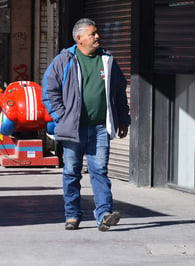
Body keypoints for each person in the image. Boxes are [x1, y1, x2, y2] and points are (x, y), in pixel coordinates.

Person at [42, 18, 130, 231]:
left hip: (100, 127)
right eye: (92, 34)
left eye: (97, 33)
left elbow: (119, 91)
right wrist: (62, 116)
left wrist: (123, 119)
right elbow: (49, 91)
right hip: (74, 129)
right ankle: (72, 215)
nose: (97, 36)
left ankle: (104, 215)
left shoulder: (107, 59)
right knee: (71, 172)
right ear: (79, 38)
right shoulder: (65, 60)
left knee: (99, 170)